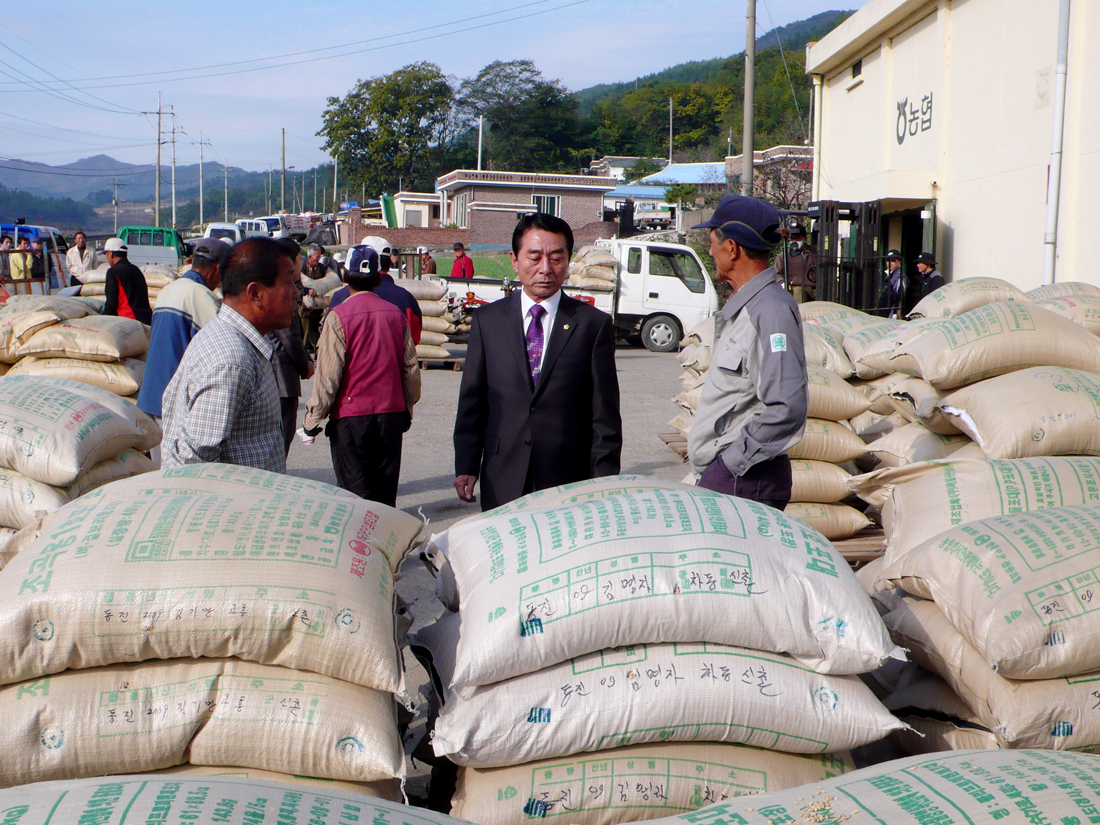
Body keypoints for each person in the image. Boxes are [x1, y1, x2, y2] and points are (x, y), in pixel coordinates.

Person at [453, 212, 622, 511]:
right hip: (502, 472)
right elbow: (473, 401)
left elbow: (604, 416)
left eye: (556, 258)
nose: (545, 268)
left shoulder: (592, 325)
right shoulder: (488, 321)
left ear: (568, 261)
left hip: (568, 479)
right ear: (514, 260)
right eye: (534, 257)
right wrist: (466, 464)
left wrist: (604, 481)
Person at [687, 194, 808, 511]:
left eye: (712, 241)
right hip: (733, 479)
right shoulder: (748, 307)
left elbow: (787, 407)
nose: (710, 250)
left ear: (732, 248)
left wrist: (729, 465)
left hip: (744, 481)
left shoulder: (770, 312)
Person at [160, 237, 299, 473]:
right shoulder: (231, 360)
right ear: (255, 293)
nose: (296, 294)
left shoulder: (242, 342)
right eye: (289, 283)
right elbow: (192, 467)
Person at [301, 245, 420, 506]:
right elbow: (410, 369)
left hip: (351, 419)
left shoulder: (338, 317)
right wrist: (407, 409)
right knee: (385, 497)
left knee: (355, 500)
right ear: (378, 278)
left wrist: (313, 418)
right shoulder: (395, 315)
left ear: (344, 277)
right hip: (390, 416)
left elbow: (328, 377)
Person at [137, 238, 229, 430]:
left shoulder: (167, 290)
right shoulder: (201, 296)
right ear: (217, 268)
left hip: (151, 397)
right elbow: (222, 350)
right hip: (175, 404)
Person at [270, 238, 313, 456]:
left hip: (276, 372)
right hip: (281, 375)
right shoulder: (282, 290)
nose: (302, 263)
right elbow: (288, 336)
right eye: (299, 258)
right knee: (280, 438)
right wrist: (305, 366)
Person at [375, 251, 422, 344]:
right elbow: (414, 336)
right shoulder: (406, 298)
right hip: (396, 356)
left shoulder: (345, 297)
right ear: (389, 265)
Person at [102, 238, 152, 324]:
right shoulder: (136, 270)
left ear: (111, 254)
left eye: (106, 254)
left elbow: (111, 304)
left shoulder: (113, 272)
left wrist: (102, 320)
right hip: (146, 319)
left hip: (128, 321)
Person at [301, 244, 338, 354]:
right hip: (305, 307)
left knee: (317, 328)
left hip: (318, 305)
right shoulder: (302, 269)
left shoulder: (322, 268)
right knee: (305, 330)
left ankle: (318, 350)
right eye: (316, 256)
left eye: (319, 256)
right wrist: (307, 291)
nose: (318, 259)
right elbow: (298, 285)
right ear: (310, 257)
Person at [775, 220, 816, 303]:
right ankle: (799, 315)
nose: (794, 241)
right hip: (796, 287)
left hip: (814, 287)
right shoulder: (783, 256)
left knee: (823, 293)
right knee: (798, 292)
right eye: (792, 238)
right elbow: (776, 274)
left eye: (797, 238)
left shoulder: (815, 252)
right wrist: (783, 283)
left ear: (804, 238)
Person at [877, 249, 907, 319]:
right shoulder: (889, 274)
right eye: (888, 260)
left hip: (891, 315)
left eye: (893, 261)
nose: (890, 263)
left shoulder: (899, 276)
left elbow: (900, 294)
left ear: (899, 262)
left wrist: (895, 312)